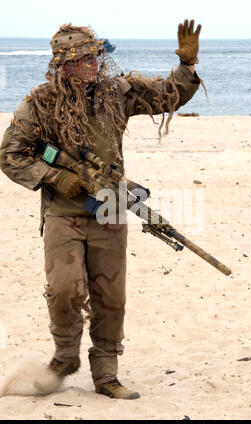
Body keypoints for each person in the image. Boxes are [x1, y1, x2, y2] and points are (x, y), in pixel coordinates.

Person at [0, 20, 203, 399]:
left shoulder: (116, 93)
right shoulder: (40, 104)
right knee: (63, 290)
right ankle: (64, 357)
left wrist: (187, 67)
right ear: (64, 64)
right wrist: (56, 178)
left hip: (110, 209)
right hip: (63, 213)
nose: (93, 63)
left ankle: (106, 374)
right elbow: (11, 154)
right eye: (83, 58)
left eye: (95, 55)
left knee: (111, 297)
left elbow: (167, 95)